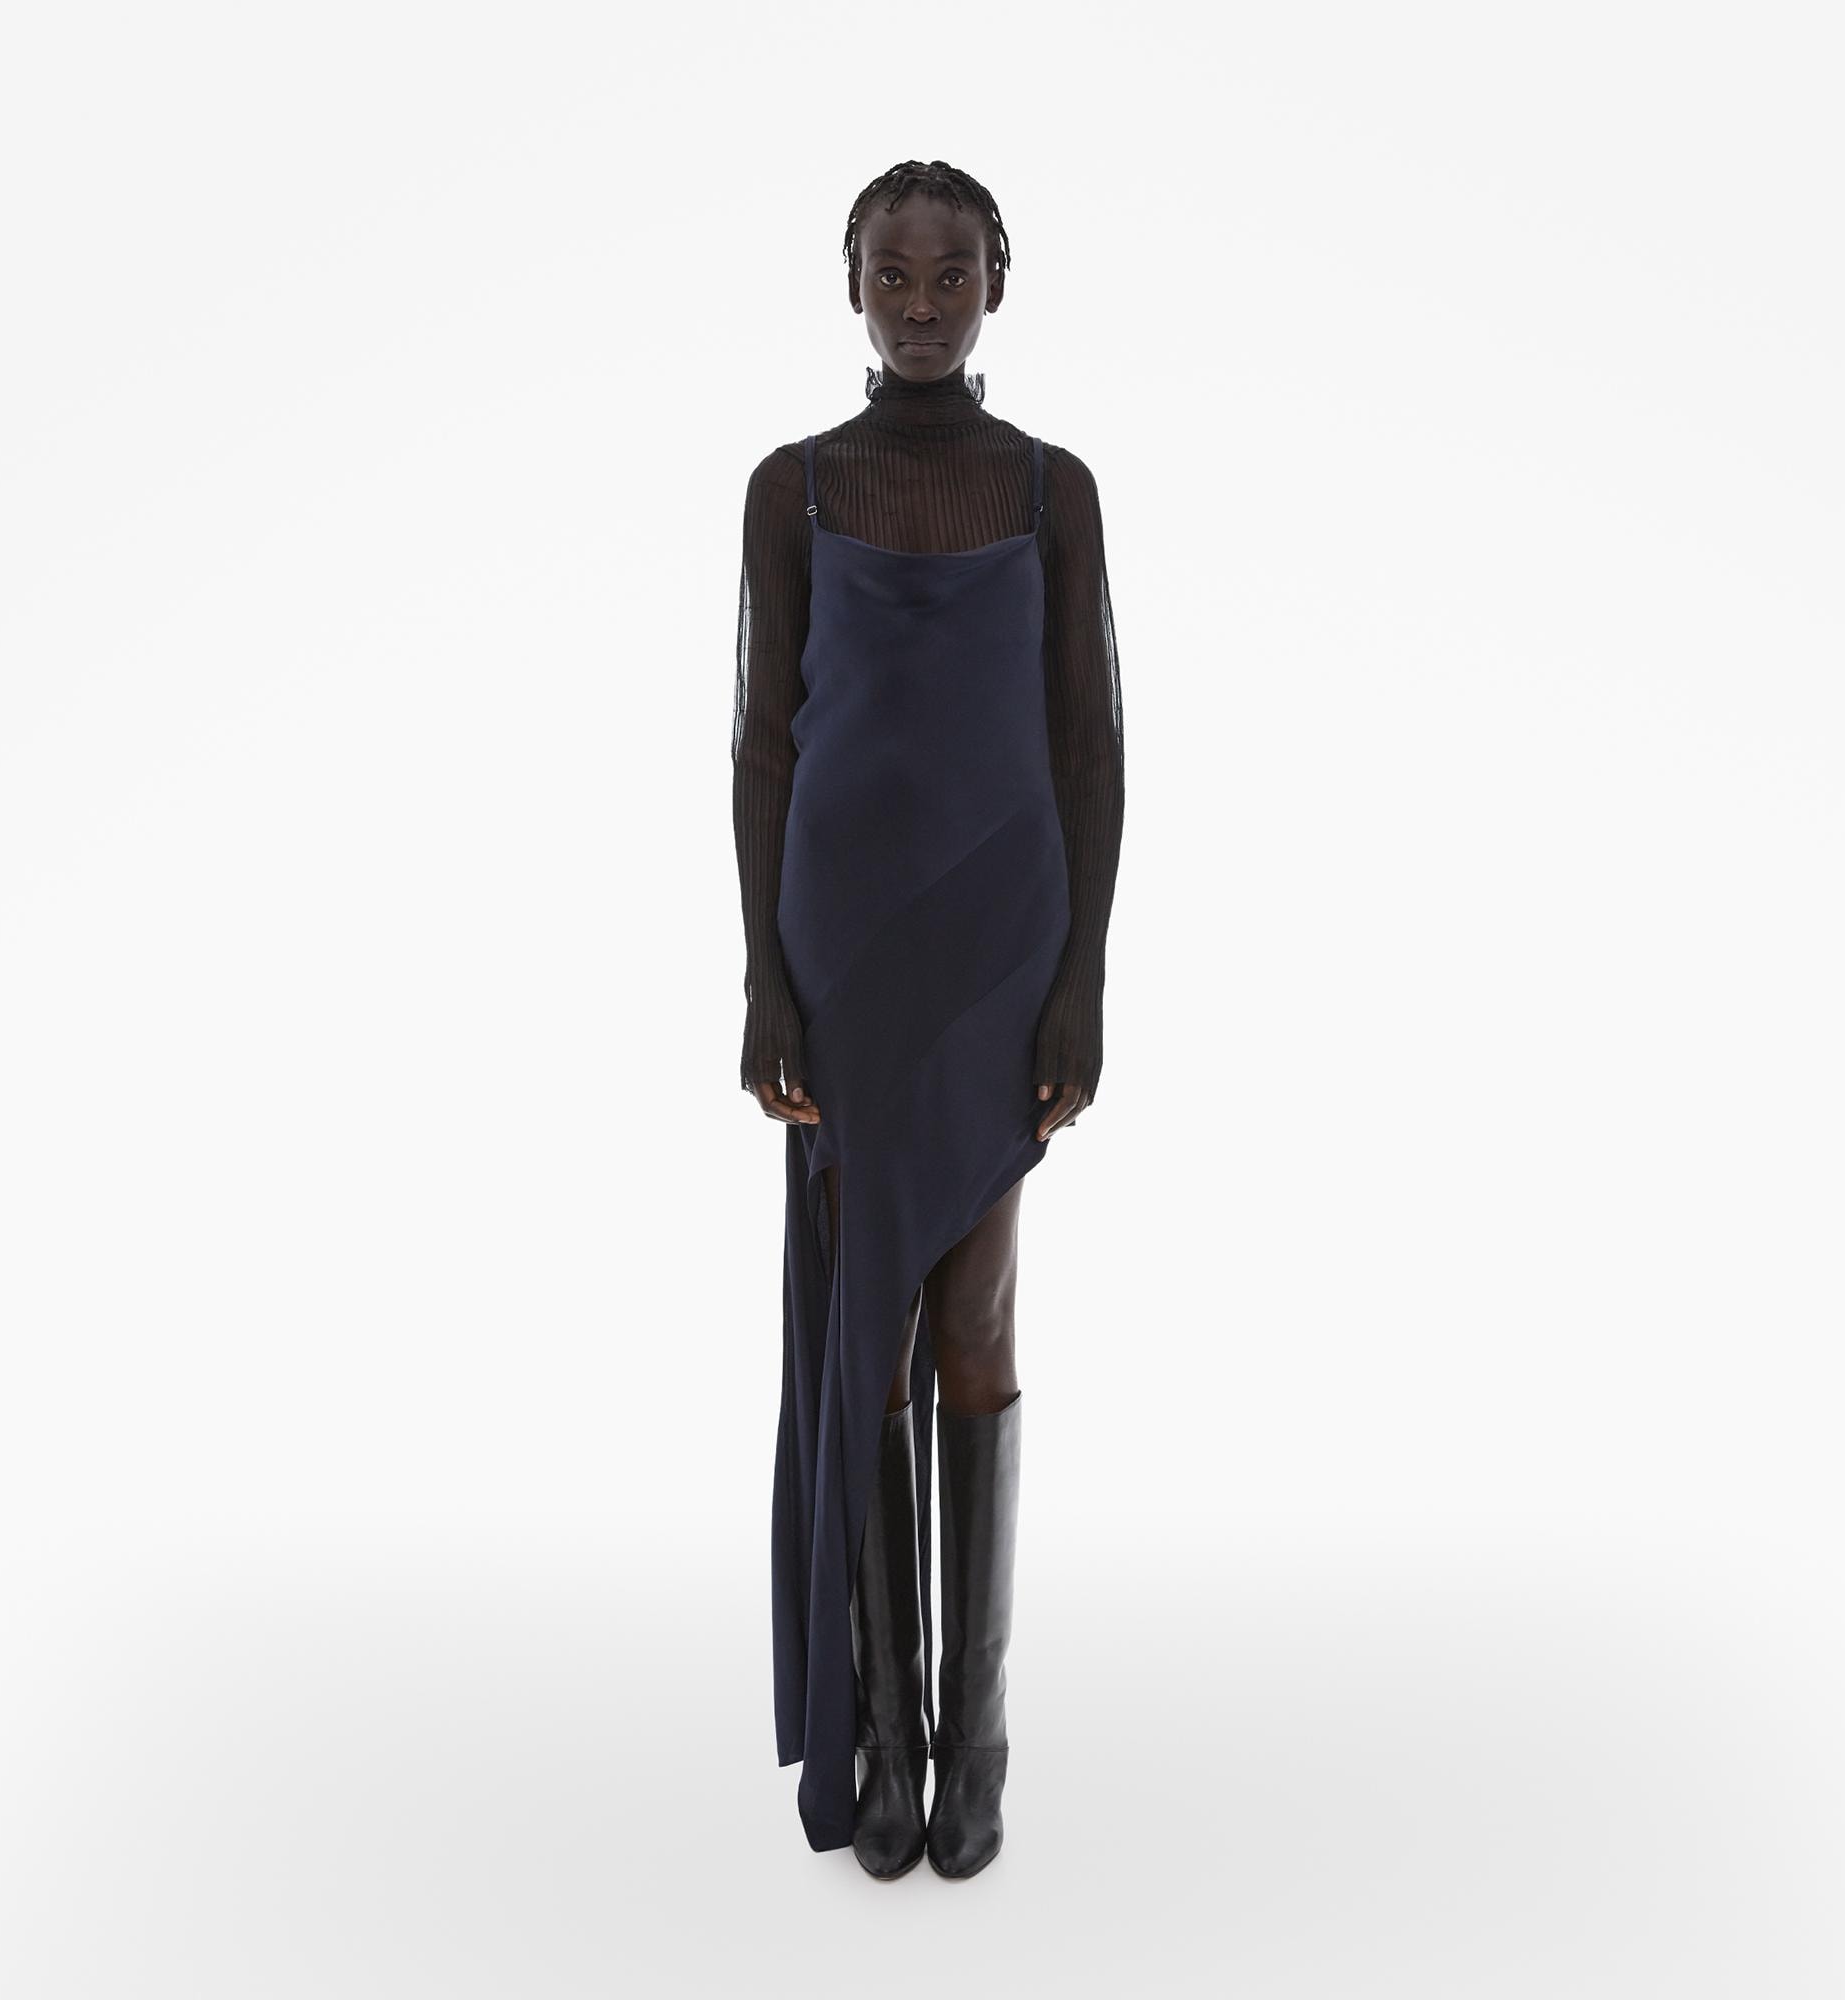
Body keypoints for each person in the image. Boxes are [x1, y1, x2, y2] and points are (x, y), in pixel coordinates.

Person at [730, 160, 1126, 1877]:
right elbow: (763, 740)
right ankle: (885, 1742)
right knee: (869, 1326)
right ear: (852, 283)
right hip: (844, 951)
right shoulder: (793, 486)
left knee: (972, 1307)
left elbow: (1090, 739)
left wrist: (1083, 976)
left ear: (995, 284)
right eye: (892, 271)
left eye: (949, 271)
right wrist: (765, 977)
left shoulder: (1050, 488)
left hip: (997, 947)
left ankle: (978, 1747)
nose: (919, 299)